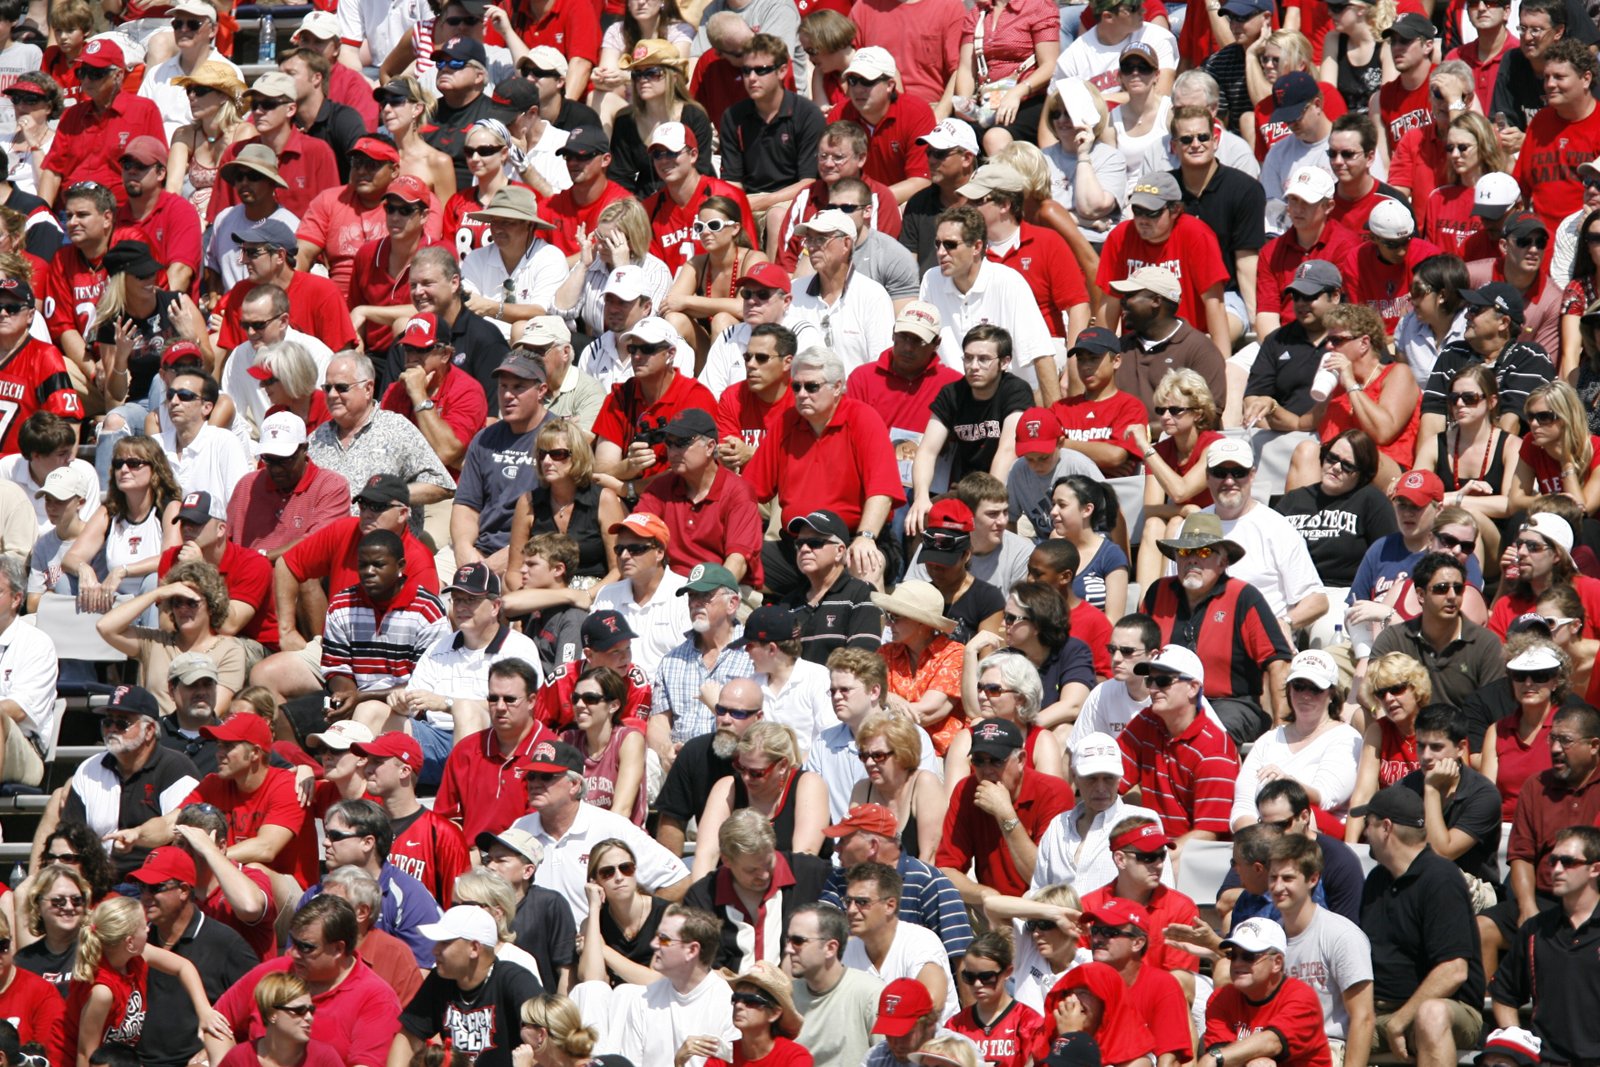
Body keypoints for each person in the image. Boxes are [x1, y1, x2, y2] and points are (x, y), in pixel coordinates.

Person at [744, 348, 903, 594]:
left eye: (811, 387)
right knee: (732, 562)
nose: (802, 394)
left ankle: (869, 622)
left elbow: (882, 491)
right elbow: (749, 491)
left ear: (837, 387)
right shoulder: (786, 422)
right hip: (798, 546)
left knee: (866, 562)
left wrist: (866, 536)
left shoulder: (863, 418)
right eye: (796, 387)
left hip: (852, 541)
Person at [1356, 784, 1486, 1064]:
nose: (1364, 833)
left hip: (1447, 1010)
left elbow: (1454, 970)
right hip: (1378, 1014)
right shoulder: (1377, 880)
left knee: (1431, 1015)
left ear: (1386, 827)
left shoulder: (1441, 878)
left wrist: (1400, 1020)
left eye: (1368, 823)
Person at [1140, 515, 1294, 744]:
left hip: (1232, 704)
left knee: (1207, 734)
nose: (1192, 559)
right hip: (1165, 698)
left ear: (1223, 562)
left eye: (1203, 552)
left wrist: (1281, 728)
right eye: (1185, 552)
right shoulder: (1158, 592)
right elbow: (1137, 649)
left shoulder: (1244, 597)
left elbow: (1278, 662)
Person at [212, 896, 402, 1066]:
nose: (293, 953)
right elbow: (216, 1022)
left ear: (338, 949)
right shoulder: (274, 973)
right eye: (293, 942)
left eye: (306, 947)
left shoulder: (377, 999)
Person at [59, 895, 224, 1067]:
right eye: (144, 926)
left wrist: (204, 1011)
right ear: (130, 942)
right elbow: (86, 1055)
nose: (148, 929)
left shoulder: (138, 955)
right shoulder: (103, 992)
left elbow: (184, 967)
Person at [918, 206, 1057, 403]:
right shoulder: (931, 280)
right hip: (956, 402)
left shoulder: (1009, 282)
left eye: (950, 244)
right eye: (937, 243)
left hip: (1010, 401)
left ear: (976, 247)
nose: (941, 252)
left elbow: (1041, 354)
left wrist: (1053, 417)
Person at [1488, 824, 1600, 1063]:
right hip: (1546, 1061)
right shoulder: (1535, 930)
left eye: (1568, 862)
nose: (1556, 869)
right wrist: (1519, 1044)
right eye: (1553, 860)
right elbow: (1504, 994)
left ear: (1595, 869)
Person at [936, 717, 1073, 905]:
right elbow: (946, 870)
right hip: (988, 905)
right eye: (979, 761)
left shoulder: (1053, 792)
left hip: (1042, 906)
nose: (986, 770)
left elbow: (1046, 881)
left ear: (1021, 760)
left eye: (996, 761)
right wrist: (985, 895)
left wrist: (1006, 815)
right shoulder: (966, 790)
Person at [388, 905, 543, 1067]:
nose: (435, 950)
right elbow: (407, 1038)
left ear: (474, 948)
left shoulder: (515, 980)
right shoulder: (440, 980)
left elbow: (547, 1042)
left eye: (445, 943)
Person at [1230, 650, 1363, 830]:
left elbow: (1327, 798)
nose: (1305, 695)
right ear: (1289, 690)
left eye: (1315, 688)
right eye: (1299, 686)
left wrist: (1287, 784)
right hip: (1264, 832)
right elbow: (1243, 804)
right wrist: (1255, 837)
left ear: (1331, 694)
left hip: (1319, 833)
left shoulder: (1346, 737)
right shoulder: (1268, 740)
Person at [599, 905, 737, 1067]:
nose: (654, 944)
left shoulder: (727, 1004)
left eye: (664, 939)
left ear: (692, 950)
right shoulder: (644, 1000)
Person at [36, 39, 166, 208]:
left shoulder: (144, 111)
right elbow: (53, 171)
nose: (86, 80)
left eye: (95, 73)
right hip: (71, 211)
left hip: (121, 212)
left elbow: (159, 167)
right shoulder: (72, 115)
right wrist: (42, 213)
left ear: (118, 75)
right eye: (82, 72)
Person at [1369, 552, 1507, 711]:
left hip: (1465, 726)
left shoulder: (1486, 644)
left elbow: (1494, 709)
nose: (1452, 596)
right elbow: (1370, 691)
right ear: (1421, 595)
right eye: (1442, 588)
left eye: (1458, 589)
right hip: (1407, 725)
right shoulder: (1393, 639)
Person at [1398, 703, 1503, 895]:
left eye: (1436, 747)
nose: (1426, 756)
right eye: (1420, 746)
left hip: (1471, 891)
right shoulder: (1406, 787)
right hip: (1416, 884)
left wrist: (1431, 789)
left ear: (1460, 748)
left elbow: (1441, 853)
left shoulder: (1484, 795)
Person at [1201, 917, 1332, 1067]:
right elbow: (1222, 1053)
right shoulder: (1220, 998)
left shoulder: (1301, 997)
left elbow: (1273, 1043)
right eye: (1233, 956)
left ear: (1277, 963)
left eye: (1248, 956)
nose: (1237, 963)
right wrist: (1221, 1057)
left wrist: (1216, 1058)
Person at [840, 862, 958, 1021]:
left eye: (862, 902)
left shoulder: (920, 942)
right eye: (848, 901)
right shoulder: (847, 950)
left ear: (890, 905)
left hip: (927, 1036)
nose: (851, 910)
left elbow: (931, 1005)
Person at [785, 903, 883, 1067]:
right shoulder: (787, 996)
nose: (788, 949)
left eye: (798, 941)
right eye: (787, 940)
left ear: (830, 948)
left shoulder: (870, 994)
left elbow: (889, 1057)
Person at [217, 972, 342, 1067]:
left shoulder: (324, 1059)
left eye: (311, 1010)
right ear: (272, 1013)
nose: (309, 1017)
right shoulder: (239, 1059)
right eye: (300, 1010)